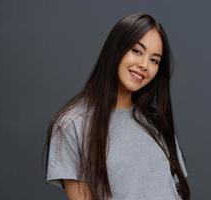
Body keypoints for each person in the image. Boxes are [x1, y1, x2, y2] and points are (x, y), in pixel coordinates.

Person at [42, 12, 190, 200]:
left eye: (154, 60)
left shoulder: (156, 120)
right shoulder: (72, 124)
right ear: (116, 49)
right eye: (137, 51)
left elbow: (175, 190)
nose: (144, 65)